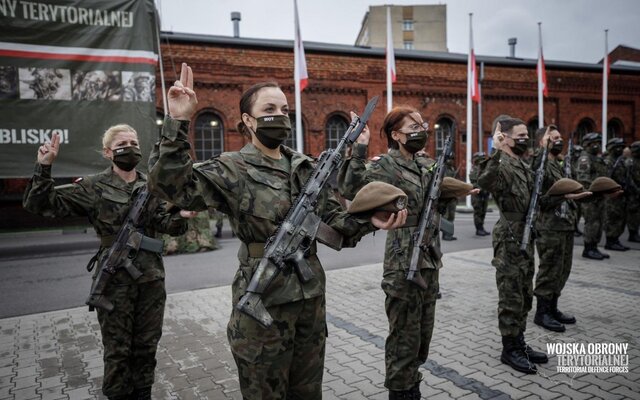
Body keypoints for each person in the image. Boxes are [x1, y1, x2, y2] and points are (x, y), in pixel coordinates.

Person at [147, 63, 407, 400]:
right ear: (248, 121)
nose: (280, 115)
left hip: (309, 303)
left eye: (284, 109)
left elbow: (333, 223)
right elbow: (170, 186)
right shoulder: (231, 168)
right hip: (262, 305)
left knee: (307, 392)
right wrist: (178, 122)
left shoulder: (304, 167)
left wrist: (369, 221)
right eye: (269, 109)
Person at [22, 125, 192, 400]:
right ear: (108, 152)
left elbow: (166, 224)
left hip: (150, 279)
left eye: (133, 142)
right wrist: (44, 167)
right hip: (114, 282)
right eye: (122, 143)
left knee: (147, 346)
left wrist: (182, 214)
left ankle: (142, 394)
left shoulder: (151, 185)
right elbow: (40, 204)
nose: (130, 147)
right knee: (117, 350)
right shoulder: (92, 186)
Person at [338, 106, 476, 399]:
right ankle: (401, 391)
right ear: (396, 135)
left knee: (423, 336)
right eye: (412, 126)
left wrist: (454, 192)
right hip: (403, 262)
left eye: (422, 124)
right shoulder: (387, 165)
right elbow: (351, 189)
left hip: (429, 259)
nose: (420, 130)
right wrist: (359, 148)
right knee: (404, 337)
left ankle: (412, 384)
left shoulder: (425, 164)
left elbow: (435, 203)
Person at [477, 116, 549, 374]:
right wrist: (495, 151)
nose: (525, 139)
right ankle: (510, 349)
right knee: (511, 294)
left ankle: (520, 341)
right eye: (519, 135)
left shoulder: (523, 164)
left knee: (524, 292)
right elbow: (483, 182)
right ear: (503, 137)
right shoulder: (500, 162)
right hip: (509, 235)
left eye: (526, 135)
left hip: (526, 234)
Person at [531, 126, 592, 333]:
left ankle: (553, 308)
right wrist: (563, 196)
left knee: (562, 270)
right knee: (549, 270)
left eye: (560, 137)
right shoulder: (540, 164)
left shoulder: (559, 165)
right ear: (542, 142)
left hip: (565, 225)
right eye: (554, 138)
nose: (559, 140)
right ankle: (542, 313)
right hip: (549, 226)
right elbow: (539, 199)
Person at [575, 132, 610, 260]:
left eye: (598, 143)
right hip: (590, 197)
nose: (597, 146)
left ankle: (594, 247)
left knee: (599, 222)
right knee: (592, 223)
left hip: (600, 197)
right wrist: (596, 190)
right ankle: (588, 248)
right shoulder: (585, 159)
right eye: (594, 144)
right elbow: (583, 179)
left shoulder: (598, 159)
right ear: (587, 145)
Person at [603, 137, 630, 251]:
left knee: (620, 218)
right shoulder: (609, 161)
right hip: (612, 196)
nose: (620, 149)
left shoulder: (620, 160)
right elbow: (606, 178)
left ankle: (616, 239)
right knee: (612, 218)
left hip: (621, 194)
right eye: (617, 147)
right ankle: (610, 241)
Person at [470, 151, 490, 236]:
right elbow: (474, 182)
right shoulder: (475, 169)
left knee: (483, 211)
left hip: (485, 194)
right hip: (477, 194)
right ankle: (478, 229)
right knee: (478, 212)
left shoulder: (484, 169)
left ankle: (482, 227)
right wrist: (481, 189)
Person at [626, 141, 640, 242]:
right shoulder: (630, 162)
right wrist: (636, 189)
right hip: (633, 192)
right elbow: (628, 177)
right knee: (633, 213)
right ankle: (633, 233)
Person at [442, 157, 458, 241]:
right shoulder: (443, 168)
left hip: (452, 196)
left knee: (451, 216)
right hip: (445, 196)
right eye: (449, 159)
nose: (451, 161)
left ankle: (449, 234)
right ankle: (445, 234)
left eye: (452, 159)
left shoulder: (452, 169)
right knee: (446, 216)